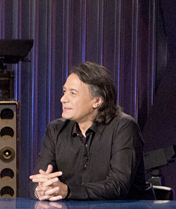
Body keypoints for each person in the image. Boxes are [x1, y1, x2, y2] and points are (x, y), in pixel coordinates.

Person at [30, 62, 152, 201]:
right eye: (64, 92)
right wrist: (41, 189)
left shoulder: (123, 127)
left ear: (97, 101)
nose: (63, 99)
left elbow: (118, 186)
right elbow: (37, 179)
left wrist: (68, 191)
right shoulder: (55, 130)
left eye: (73, 93)